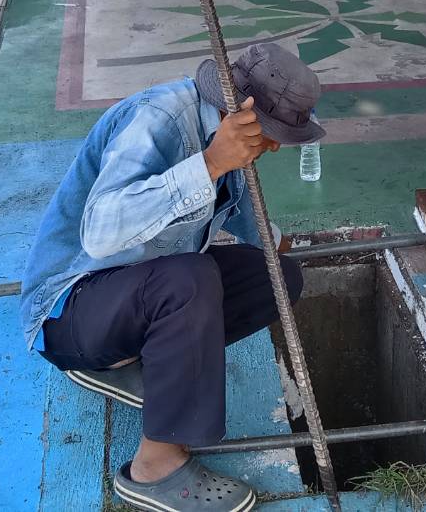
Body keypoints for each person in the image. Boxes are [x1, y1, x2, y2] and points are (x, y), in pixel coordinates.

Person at [20, 42, 322, 512]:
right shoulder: (159, 120)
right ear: (238, 111)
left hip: (132, 294)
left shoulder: (217, 128)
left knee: (277, 278)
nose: (276, 145)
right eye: (272, 131)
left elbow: (235, 208)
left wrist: (274, 241)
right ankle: (154, 467)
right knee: (190, 280)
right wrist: (210, 163)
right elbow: (101, 233)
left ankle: (126, 360)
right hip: (68, 312)